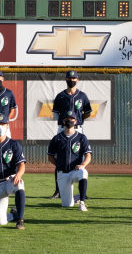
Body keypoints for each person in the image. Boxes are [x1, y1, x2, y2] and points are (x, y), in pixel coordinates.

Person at [49, 70, 91, 199]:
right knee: (59, 157)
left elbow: (88, 111)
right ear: (65, 79)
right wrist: (63, 122)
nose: (71, 80)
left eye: (74, 78)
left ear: (78, 79)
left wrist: (80, 119)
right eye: (69, 78)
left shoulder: (82, 96)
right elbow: (55, 113)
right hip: (62, 128)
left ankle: (82, 192)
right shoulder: (60, 96)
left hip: (77, 128)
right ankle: (58, 190)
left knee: (80, 157)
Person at [48, 112, 92, 211]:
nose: (69, 121)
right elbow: (50, 157)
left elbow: (88, 155)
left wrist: (83, 165)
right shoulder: (57, 138)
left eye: (71, 119)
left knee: (83, 173)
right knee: (67, 204)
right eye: (67, 119)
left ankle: (82, 202)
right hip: (62, 173)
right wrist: (59, 165)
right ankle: (75, 198)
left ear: (75, 121)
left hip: (75, 171)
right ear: (63, 121)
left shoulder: (81, 137)